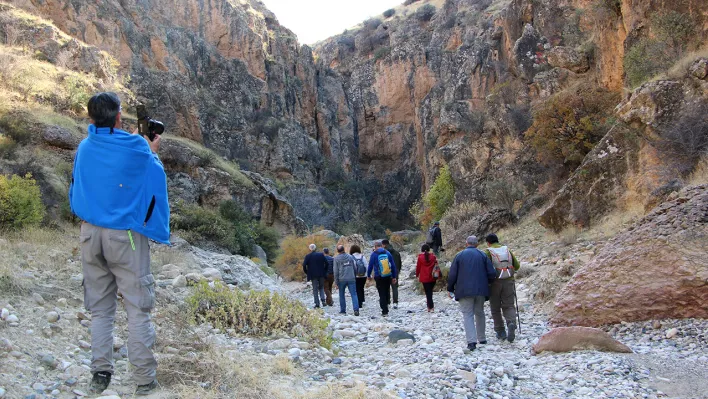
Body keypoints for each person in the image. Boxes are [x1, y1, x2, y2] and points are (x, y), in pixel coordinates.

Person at [69, 92, 168, 395]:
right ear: (117, 117)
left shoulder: (85, 147)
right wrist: (151, 149)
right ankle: (144, 380)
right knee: (138, 308)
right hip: (124, 236)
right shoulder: (137, 147)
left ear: (90, 119)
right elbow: (154, 173)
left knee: (100, 308)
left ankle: (100, 374)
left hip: (89, 233)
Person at [447, 236, 497, 351]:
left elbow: (452, 275)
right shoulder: (482, 255)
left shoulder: (459, 256)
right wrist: (487, 283)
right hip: (481, 290)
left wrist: (450, 288)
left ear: (466, 243)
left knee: (467, 314)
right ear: (477, 244)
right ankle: (482, 338)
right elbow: (491, 273)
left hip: (464, 291)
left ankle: (471, 341)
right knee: (479, 312)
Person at [484, 233, 521, 342]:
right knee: (509, 305)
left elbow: (484, 268)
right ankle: (511, 323)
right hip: (509, 281)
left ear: (488, 242)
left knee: (495, 307)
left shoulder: (488, 252)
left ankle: (500, 331)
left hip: (494, 283)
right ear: (497, 240)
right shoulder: (506, 250)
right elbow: (517, 265)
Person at [367, 240, 398, 316]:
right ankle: (387, 304)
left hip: (378, 276)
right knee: (387, 290)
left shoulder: (374, 254)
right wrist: (394, 276)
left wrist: (368, 275)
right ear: (382, 245)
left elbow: (370, 266)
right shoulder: (387, 253)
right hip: (387, 275)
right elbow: (393, 266)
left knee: (381, 293)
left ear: (375, 246)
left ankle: (384, 311)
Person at [333, 245, 360, 316]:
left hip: (341, 279)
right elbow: (355, 267)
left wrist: (336, 282)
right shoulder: (350, 257)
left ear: (337, 251)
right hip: (351, 278)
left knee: (341, 295)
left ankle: (343, 310)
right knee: (354, 294)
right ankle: (356, 309)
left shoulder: (336, 259)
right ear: (344, 249)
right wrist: (354, 275)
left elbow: (335, 271)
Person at [302, 244, 327, 309]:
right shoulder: (321, 255)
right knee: (321, 287)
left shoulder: (308, 256)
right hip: (321, 274)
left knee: (315, 289)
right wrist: (324, 271)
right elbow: (327, 263)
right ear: (315, 248)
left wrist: (307, 272)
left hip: (313, 275)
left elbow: (304, 265)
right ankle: (323, 300)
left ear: (310, 249)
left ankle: (317, 303)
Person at [415, 244, 438, 312]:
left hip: (424, 278)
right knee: (430, 291)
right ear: (429, 249)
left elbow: (418, 267)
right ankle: (431, 307)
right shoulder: (433, 257)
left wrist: (417, 275)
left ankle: (430, 307)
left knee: (428, 292)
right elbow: (436, 265)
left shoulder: (420, 258)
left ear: (422, 250)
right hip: (432, 277)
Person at [382, 239, 402, 309]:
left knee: (386, 288)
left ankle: (388, 303)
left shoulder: (384, 253)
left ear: (384, 245)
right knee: (395, 288)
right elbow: (399, 263)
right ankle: (395, 302)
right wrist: (398, 271)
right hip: (395, 272)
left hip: (386, 272)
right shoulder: (396, 253)